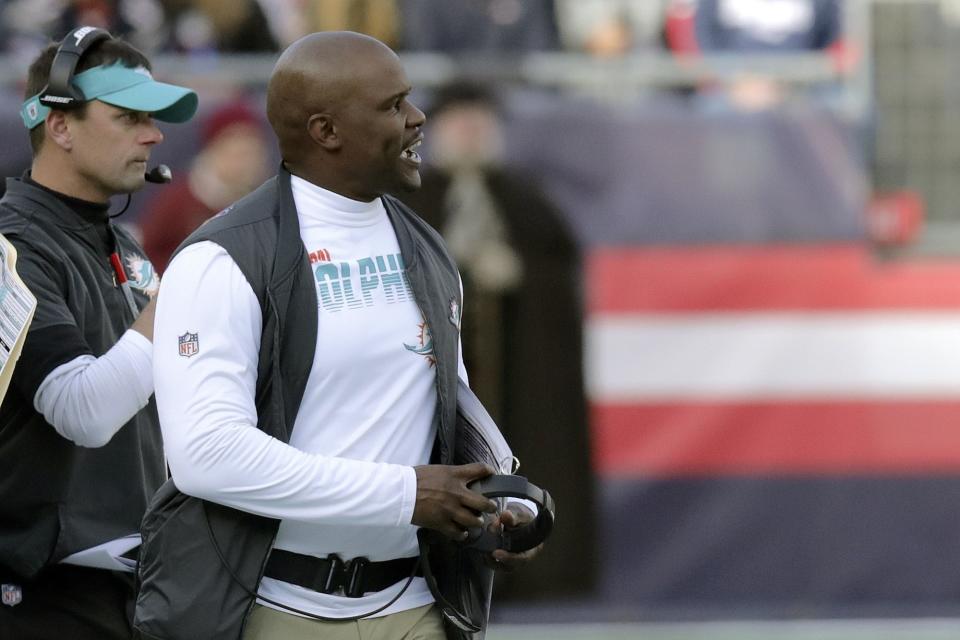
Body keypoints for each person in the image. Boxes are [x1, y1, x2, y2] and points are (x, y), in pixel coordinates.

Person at [135, 31, 539, 640]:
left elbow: (446, 396)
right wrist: (404, 495)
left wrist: (498, 491)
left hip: (418, 606)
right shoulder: (221, 259)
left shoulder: (425, 244)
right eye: (393, 104)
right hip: (274, 609)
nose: (417, 117)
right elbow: (205, 457)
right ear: (326, 131)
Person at [0, 26, 197, 640]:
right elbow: (82, 411)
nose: (154, 134)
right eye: (129, 117)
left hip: (131, 588)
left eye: (154, 119)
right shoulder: (10, 246)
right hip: (42, 597)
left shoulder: (124, 247)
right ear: (59, 125)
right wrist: (185, 293)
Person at [399, 81, 594, 601]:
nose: (469, 133)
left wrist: (521, 276)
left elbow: (559, 272)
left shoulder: (526, 201)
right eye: (458, 124)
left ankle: (529, 565)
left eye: (478, 123)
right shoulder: (408, 200)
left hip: (521, 378)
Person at [138, 98, 270, 273]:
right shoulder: (182, 198)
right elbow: (148, 254)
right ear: (213, 150)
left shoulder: (267, 203)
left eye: (250, 154)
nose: (244, 164)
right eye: (236, 154)